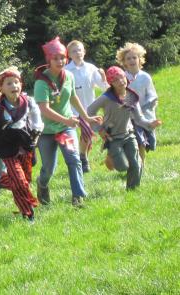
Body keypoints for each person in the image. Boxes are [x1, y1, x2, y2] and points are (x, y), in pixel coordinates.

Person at [33, 37, 102, 206]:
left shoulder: (69, 76)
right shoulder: (41, 82)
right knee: (49, 168)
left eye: (62, 57)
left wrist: (86, 117)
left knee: (73, 159)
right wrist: (67, 119)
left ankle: (78, 197)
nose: (60, 61)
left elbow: (73, 97)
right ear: (49, 60)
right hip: (47, 132)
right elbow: (44, 109)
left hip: (65, 130)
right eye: (55, 58)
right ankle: (42, 184)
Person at [86, 66, 162, 189]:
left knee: (136, 164)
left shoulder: (131, 96)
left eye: (122, 77)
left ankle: (133, 189)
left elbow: (139, 118)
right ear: (111, 83)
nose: (121, 81)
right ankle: (111, 158)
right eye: (116, 79)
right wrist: (99, 129)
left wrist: (150, 124)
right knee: (122, 166)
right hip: (112, 137)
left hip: (129, 134)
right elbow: (89, 111)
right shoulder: (106, 97)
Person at [0, 68, 43, 221]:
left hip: (25, 145)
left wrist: (36, 132)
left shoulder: (28, 101)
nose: (14, 86)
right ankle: (28, 214)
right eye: (9, 83)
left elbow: (36, 117)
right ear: (1, 88)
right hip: (7, 148)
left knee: (24, 180)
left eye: (16, 82)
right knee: (20, 182)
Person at [65, 40, 109, 173]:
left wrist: (103, 78)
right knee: (83, 134)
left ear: (84, 52)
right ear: (69, 55)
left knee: (87, 134)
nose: (77, 53)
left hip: (89, 109)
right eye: (74, 51)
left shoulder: (91, 68)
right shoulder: (66, 71)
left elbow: (104, 88)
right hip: (72, 110)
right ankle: (80, 158)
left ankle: (83, 157)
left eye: (79, 50)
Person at [116, 42, 159, 161]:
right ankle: (137, 166)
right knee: (137, 141)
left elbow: (152, 94)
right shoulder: (122, 77)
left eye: (134, 57)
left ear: (140, 59)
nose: (131, 60)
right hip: (129, 117)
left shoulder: (145, 77)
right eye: (128, 58)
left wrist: (149, 104)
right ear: (124, 62)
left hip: (144, 115)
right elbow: (117, 94)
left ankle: (139, 164)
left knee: (144, 142)